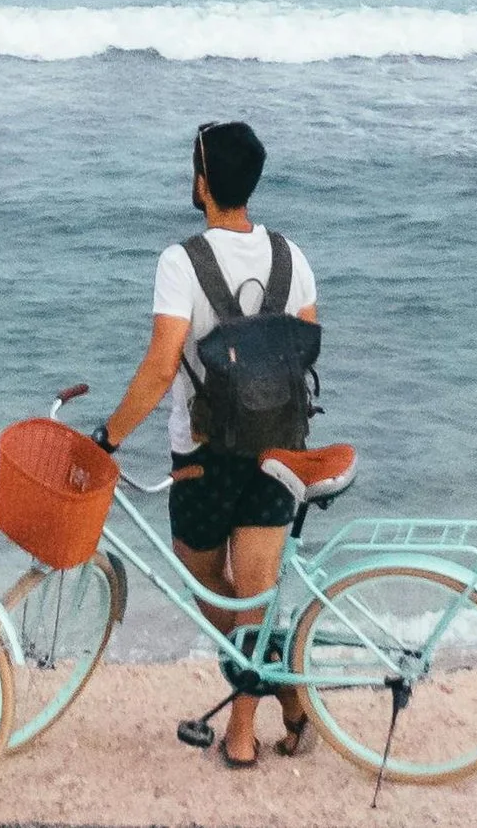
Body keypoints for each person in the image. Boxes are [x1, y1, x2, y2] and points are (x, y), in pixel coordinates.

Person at [93, 119, 319, 768]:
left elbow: (163, 364)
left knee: (209, 583)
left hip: (203, 455)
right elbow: (303, 347)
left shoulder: (180, 260)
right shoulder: (291, 255)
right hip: (280, 448)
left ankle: (246, 727)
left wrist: (110, 434)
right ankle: (278, 697)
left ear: (202, 180)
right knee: (253, 591)